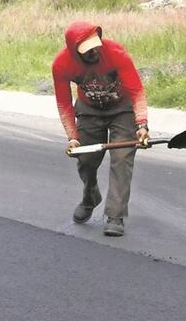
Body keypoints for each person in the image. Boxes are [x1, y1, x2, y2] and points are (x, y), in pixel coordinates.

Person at [52, 21, 149, 237]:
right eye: (88, 50)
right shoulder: (61, 64)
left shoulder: (115, 52)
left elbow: (136, 90)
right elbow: (64, 103)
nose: (95, 51)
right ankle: (90, 194)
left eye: (96, 45)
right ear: (75, 51)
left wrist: (142, 123)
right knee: (85, 160)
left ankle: (115, 215)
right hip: (89, 110)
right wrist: (72, 137)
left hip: (122, 110)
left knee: (122, 158)